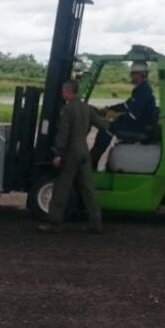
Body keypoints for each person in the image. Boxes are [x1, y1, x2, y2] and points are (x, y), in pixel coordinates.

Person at [38, 80, 108, 234]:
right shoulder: (87, 108)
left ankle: (54, 223)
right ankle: (96, 223)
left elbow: (63, 134)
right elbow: (103, 125)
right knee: (89, 190)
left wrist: (58, 153)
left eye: (63, 91)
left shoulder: (67, 109)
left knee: (61, 188)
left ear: (68, 91)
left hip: (71, 154)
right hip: (84, 152)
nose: (62, 94)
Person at [90, 61, 157, 170]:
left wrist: (116, 116)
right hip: (139, 123)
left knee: (107, 127)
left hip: (139, 125)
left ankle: (92, 160)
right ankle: (93, 160)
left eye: (133, 74)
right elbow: (126, 105)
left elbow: (132, 116)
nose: (131, 76)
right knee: (110, 125)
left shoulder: (144, 91)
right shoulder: (140, 89)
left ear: (141, 74)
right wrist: (109, 109)